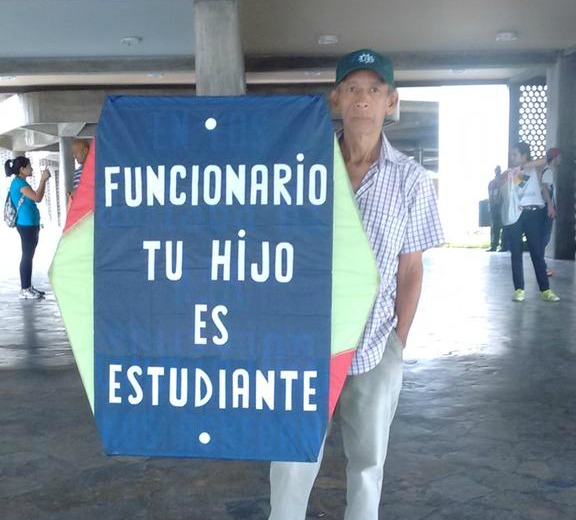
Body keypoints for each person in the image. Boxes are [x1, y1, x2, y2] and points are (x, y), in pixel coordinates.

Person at [268, 49, 444, 520]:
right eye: (352, 89)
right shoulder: (304, 169)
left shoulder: (409, 179)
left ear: (390, 101)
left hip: (373, 346)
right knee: (291, 456)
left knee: (368, 463)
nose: (362, 99)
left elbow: (411, 269)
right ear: (336, 98)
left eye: (373, 90)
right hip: (306, 344)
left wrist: (397, 343)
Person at [502, 142, 559, 302]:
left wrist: (525, 165)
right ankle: (519, 289)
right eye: (511, 155)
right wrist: (512, 173)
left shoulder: (536, 168)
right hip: (516, 215)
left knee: (537, 252)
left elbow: (549, 156)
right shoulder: (512, 173)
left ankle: (545, 289)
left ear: (524, 155)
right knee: (516, 252)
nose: (512, 158)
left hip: (533, 214)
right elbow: (502, 185)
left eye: (515, 154)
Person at [5, 156, 51, 299]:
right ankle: (25, 289)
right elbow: (37, 197)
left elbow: (38, 197)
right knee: (27, 256)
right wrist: (43, 180)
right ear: (22, 169)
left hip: (30, 224)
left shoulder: (22, 182)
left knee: (29, 256)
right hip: (26, 225)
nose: (31, 168)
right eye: (29, 166)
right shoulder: (19, 183)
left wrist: (43, 182)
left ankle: (28, 287)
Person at [541, 147, 560, 276]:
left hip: (547, 207)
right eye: (559, 156)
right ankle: (542, 268)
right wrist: (550, 206)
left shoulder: (549, 171)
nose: (560, 159)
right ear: (554, 158)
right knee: (544, 239)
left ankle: (542, 267)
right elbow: (545, 189)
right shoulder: (548, 171)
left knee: (544, 239)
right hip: (546, 209)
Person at [67, 138, 90, 212]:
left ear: (85, 151)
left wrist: (74, 193)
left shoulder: (94, 169)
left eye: (76, 152)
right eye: (73, 153)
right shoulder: (77, 171)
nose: (74, 156)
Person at [487, 166, 504, 251]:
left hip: (502, 207)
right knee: (495, 227)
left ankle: (503, 245)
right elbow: (490, 195)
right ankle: (494, 245)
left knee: (503, 226)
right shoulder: (492, 183)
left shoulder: (503, 181)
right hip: (495, 207)